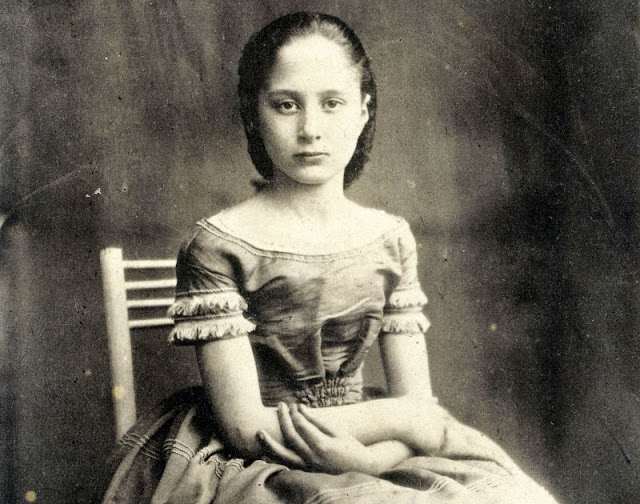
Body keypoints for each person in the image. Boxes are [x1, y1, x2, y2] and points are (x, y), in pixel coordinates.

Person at [102, 11, 558, 504]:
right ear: (254, 114)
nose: (310, 129)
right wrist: (402, 418)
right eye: (286, 105)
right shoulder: (218, 245)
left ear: (362, 112)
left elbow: (418, 404)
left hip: (371, 447)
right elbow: (247, 427)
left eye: (332, 103)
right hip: (257, 460)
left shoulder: (390, 239)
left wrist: (368, 460)